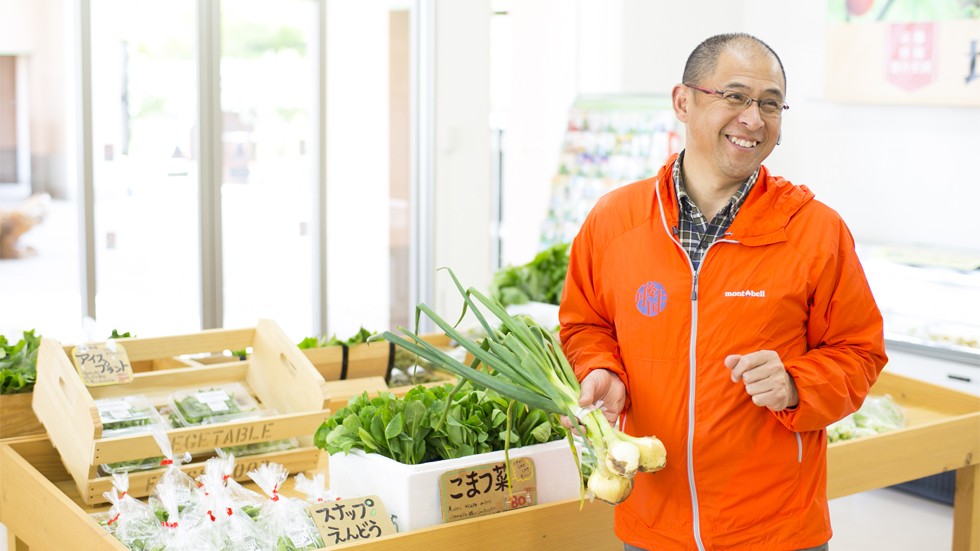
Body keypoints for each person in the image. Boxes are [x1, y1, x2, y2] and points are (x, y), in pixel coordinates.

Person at [559, 33, 887, 551]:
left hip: (777, 530)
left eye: (770, 103)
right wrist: (601, 369)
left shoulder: (815, 231)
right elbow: (586, 324)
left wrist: (798, 384)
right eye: (734, 96)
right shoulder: (613, 221)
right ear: (683, 102)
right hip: (651, 522)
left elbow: (860, 351)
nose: (754, 119)